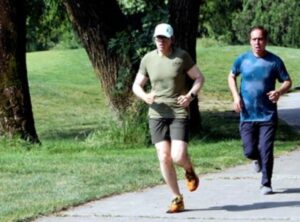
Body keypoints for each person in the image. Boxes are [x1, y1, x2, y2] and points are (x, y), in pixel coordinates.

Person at [132, 23, 205, 213]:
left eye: (164, 38)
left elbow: (198, 78)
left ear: (171, 39)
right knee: (164, 157)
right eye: (158, 38)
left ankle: (189, 170)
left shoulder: (181, 57)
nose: (161, 42)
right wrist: (145, 96)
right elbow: (136, 86)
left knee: (178, 156)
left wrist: (190, 96)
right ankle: (176, 198)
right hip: (156, 114)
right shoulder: (147, 59)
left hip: (178, 112)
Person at [228, 26, 292, 195]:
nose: (257, 42)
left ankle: (266, 183)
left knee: (266, 148)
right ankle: (256, 159)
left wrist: (279, 92)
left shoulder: (274, 61)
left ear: (266, 41)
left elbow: (287, 81)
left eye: (260, 39)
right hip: (247, 114)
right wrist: (236, 97)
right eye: (254, 39)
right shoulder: (242, 60)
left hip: (267, 114)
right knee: (249, 150)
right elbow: (231, 75)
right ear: (250, 41)